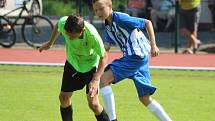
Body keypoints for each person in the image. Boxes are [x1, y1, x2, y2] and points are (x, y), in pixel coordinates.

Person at [92, 0, 172, 121]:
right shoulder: (108, 25)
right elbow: (107, 46)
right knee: (144, 98)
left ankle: (112, 119)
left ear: (110, 6)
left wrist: (153, 45)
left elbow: (147, 23)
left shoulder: (121, 18)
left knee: (103, 79)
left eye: (101, 8)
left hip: (135, 56)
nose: (98, 12)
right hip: (139, 59)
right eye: (96, 10)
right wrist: (94, 52)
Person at [38, 14, 110, 121]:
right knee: (63, 97)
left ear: (82, 31)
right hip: (72, 64)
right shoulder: (64, 23)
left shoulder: (92, 36)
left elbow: (104, 57)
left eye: (72, 36)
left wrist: (96, 79)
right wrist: (50, 43)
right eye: (67, 34)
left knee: (93, 104)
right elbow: (58, 25)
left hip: (90, 67)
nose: (69, 38)